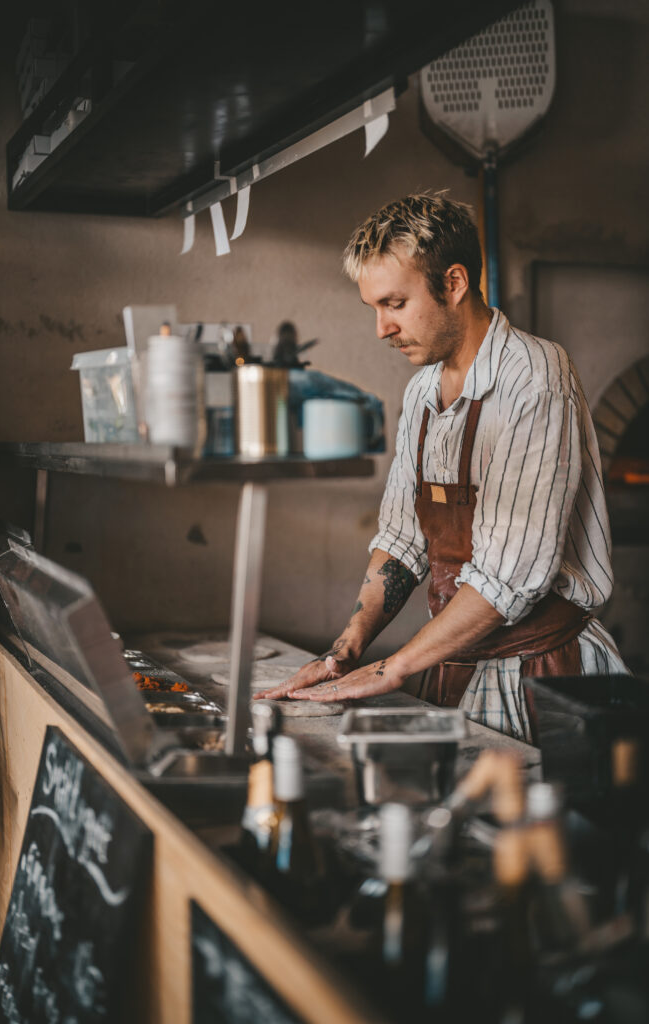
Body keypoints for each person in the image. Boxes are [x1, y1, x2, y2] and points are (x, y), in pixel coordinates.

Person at [256, 190, 628, 742]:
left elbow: (509, 578)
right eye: (374, 308)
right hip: (455, 664)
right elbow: (403, 540)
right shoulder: (424, 391)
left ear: (454, 283)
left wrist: (392, 668)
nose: (381, 328)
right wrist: (347, 648)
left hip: (546, 673)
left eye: (395, 304)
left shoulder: (536, 376)